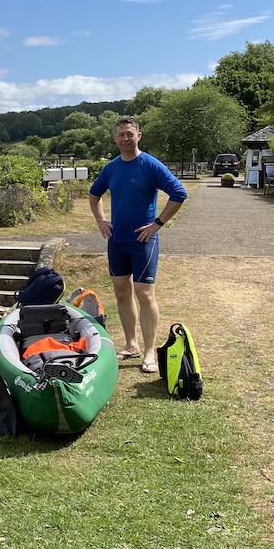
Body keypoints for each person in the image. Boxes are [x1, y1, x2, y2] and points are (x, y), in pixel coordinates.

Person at [88, 115, 187, 374]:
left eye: (130, 134)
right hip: (117, 240)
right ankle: (131, 345)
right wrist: (101, 221)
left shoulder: (150, 165)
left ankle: (149, 351)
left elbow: (179, 193)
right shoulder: (111, 168)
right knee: (121, 292)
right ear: (115, 138)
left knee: (144, 294)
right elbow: (94, 193)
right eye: (121, 135)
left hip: (144, 240)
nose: (125, 139)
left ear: (138, 136)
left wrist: (157, 224)